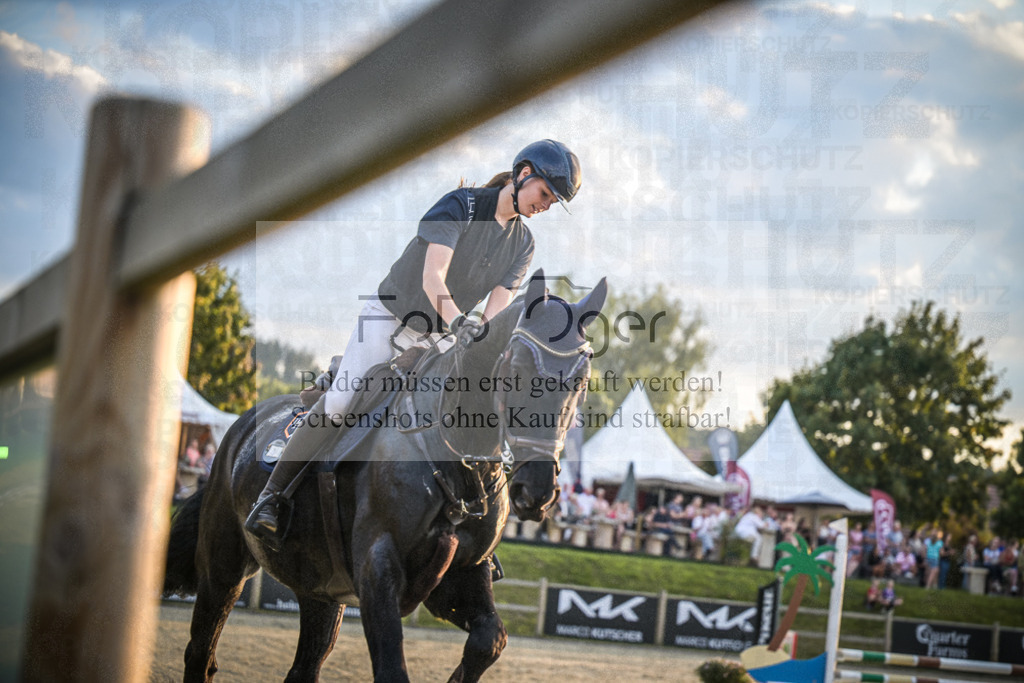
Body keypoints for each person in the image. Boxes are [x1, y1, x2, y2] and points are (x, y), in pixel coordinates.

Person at [244, 140, 582, 548]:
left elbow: (496, 311)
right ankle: (272, 498)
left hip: (441, 337)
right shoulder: (462, 205)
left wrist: (479, 342)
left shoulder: (523, 244)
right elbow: (432, 278)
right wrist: (460, 324)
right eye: (545, 193)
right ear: (524, 173)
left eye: (554, 200)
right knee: (339, 403)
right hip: (390, 318)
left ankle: (474, 536)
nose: (546, 204)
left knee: (468, 409)